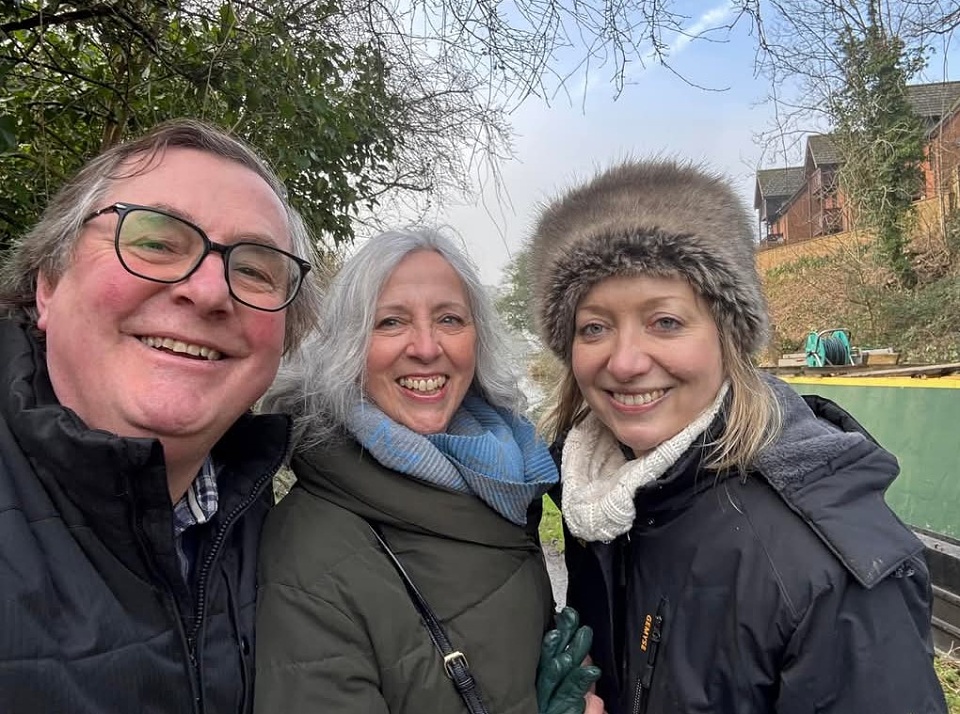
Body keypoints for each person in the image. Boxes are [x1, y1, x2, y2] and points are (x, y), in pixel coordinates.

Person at [526, 159, 948, 714]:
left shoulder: (824, 573)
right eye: (595, 327)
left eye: (665, 322)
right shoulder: (595, 500)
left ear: (729, 335)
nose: (624, 362)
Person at [0, 119, 320, 713]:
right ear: (49, 283)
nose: (209, 291)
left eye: (255, 269)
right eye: (155, 241)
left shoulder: (283, 533)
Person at [254, 227, 601, 714]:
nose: (425, 346)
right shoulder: (309, 551)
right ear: (347, 348)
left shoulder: (505, 483)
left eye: (449, 319)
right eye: (391, 322)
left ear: (478, 339)